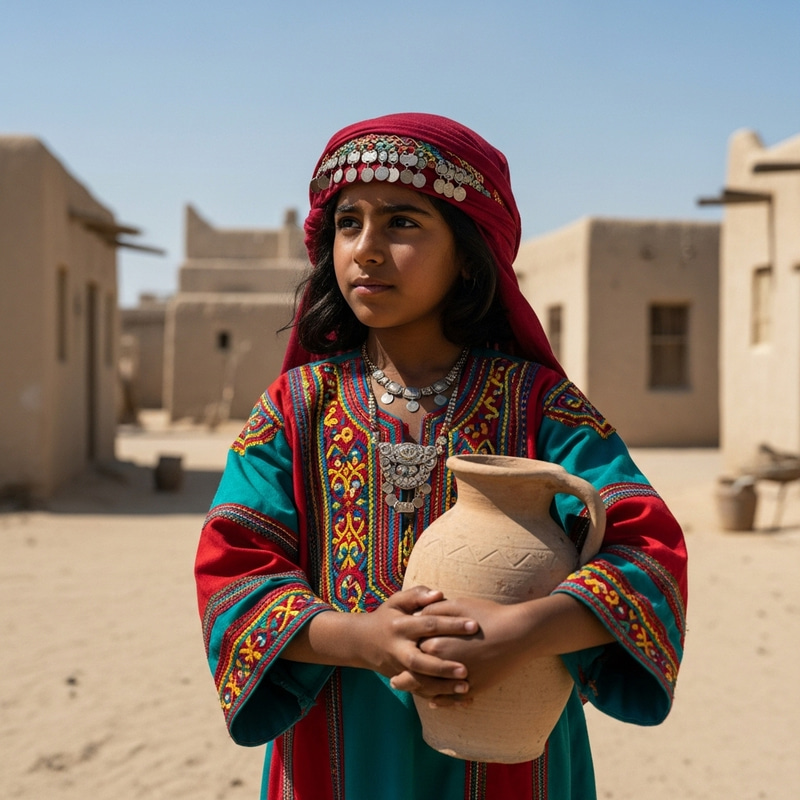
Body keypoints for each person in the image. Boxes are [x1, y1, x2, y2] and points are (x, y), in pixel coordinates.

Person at [195, 113, 688, 800]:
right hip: (338, 751)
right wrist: (360, 639)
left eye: (402, 223)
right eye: (348, 223)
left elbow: (647, 551)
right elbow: (233, 570)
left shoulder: (542, 406)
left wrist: (523, 629)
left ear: (466, 251)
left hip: (513, 752)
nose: (366, 249)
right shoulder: (294, 408)